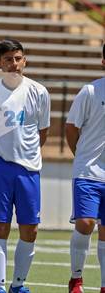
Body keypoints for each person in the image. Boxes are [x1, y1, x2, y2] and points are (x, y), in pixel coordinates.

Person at [0, 39, 50, 293]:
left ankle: (19, 284)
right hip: (0, 169)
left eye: (18, 58)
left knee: (30, 228)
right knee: (0, 227)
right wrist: (0, 158)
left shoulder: (39, 91)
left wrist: (26, 156)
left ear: (25, 60)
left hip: (29, 170)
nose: (14, 63)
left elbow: (43, 132)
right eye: (8, 59)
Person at [66, 44, 105, 293]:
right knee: (86, 222)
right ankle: (76, 279)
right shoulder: (90, 90)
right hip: (88, 172)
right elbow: (71, 128)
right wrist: (80, 156)